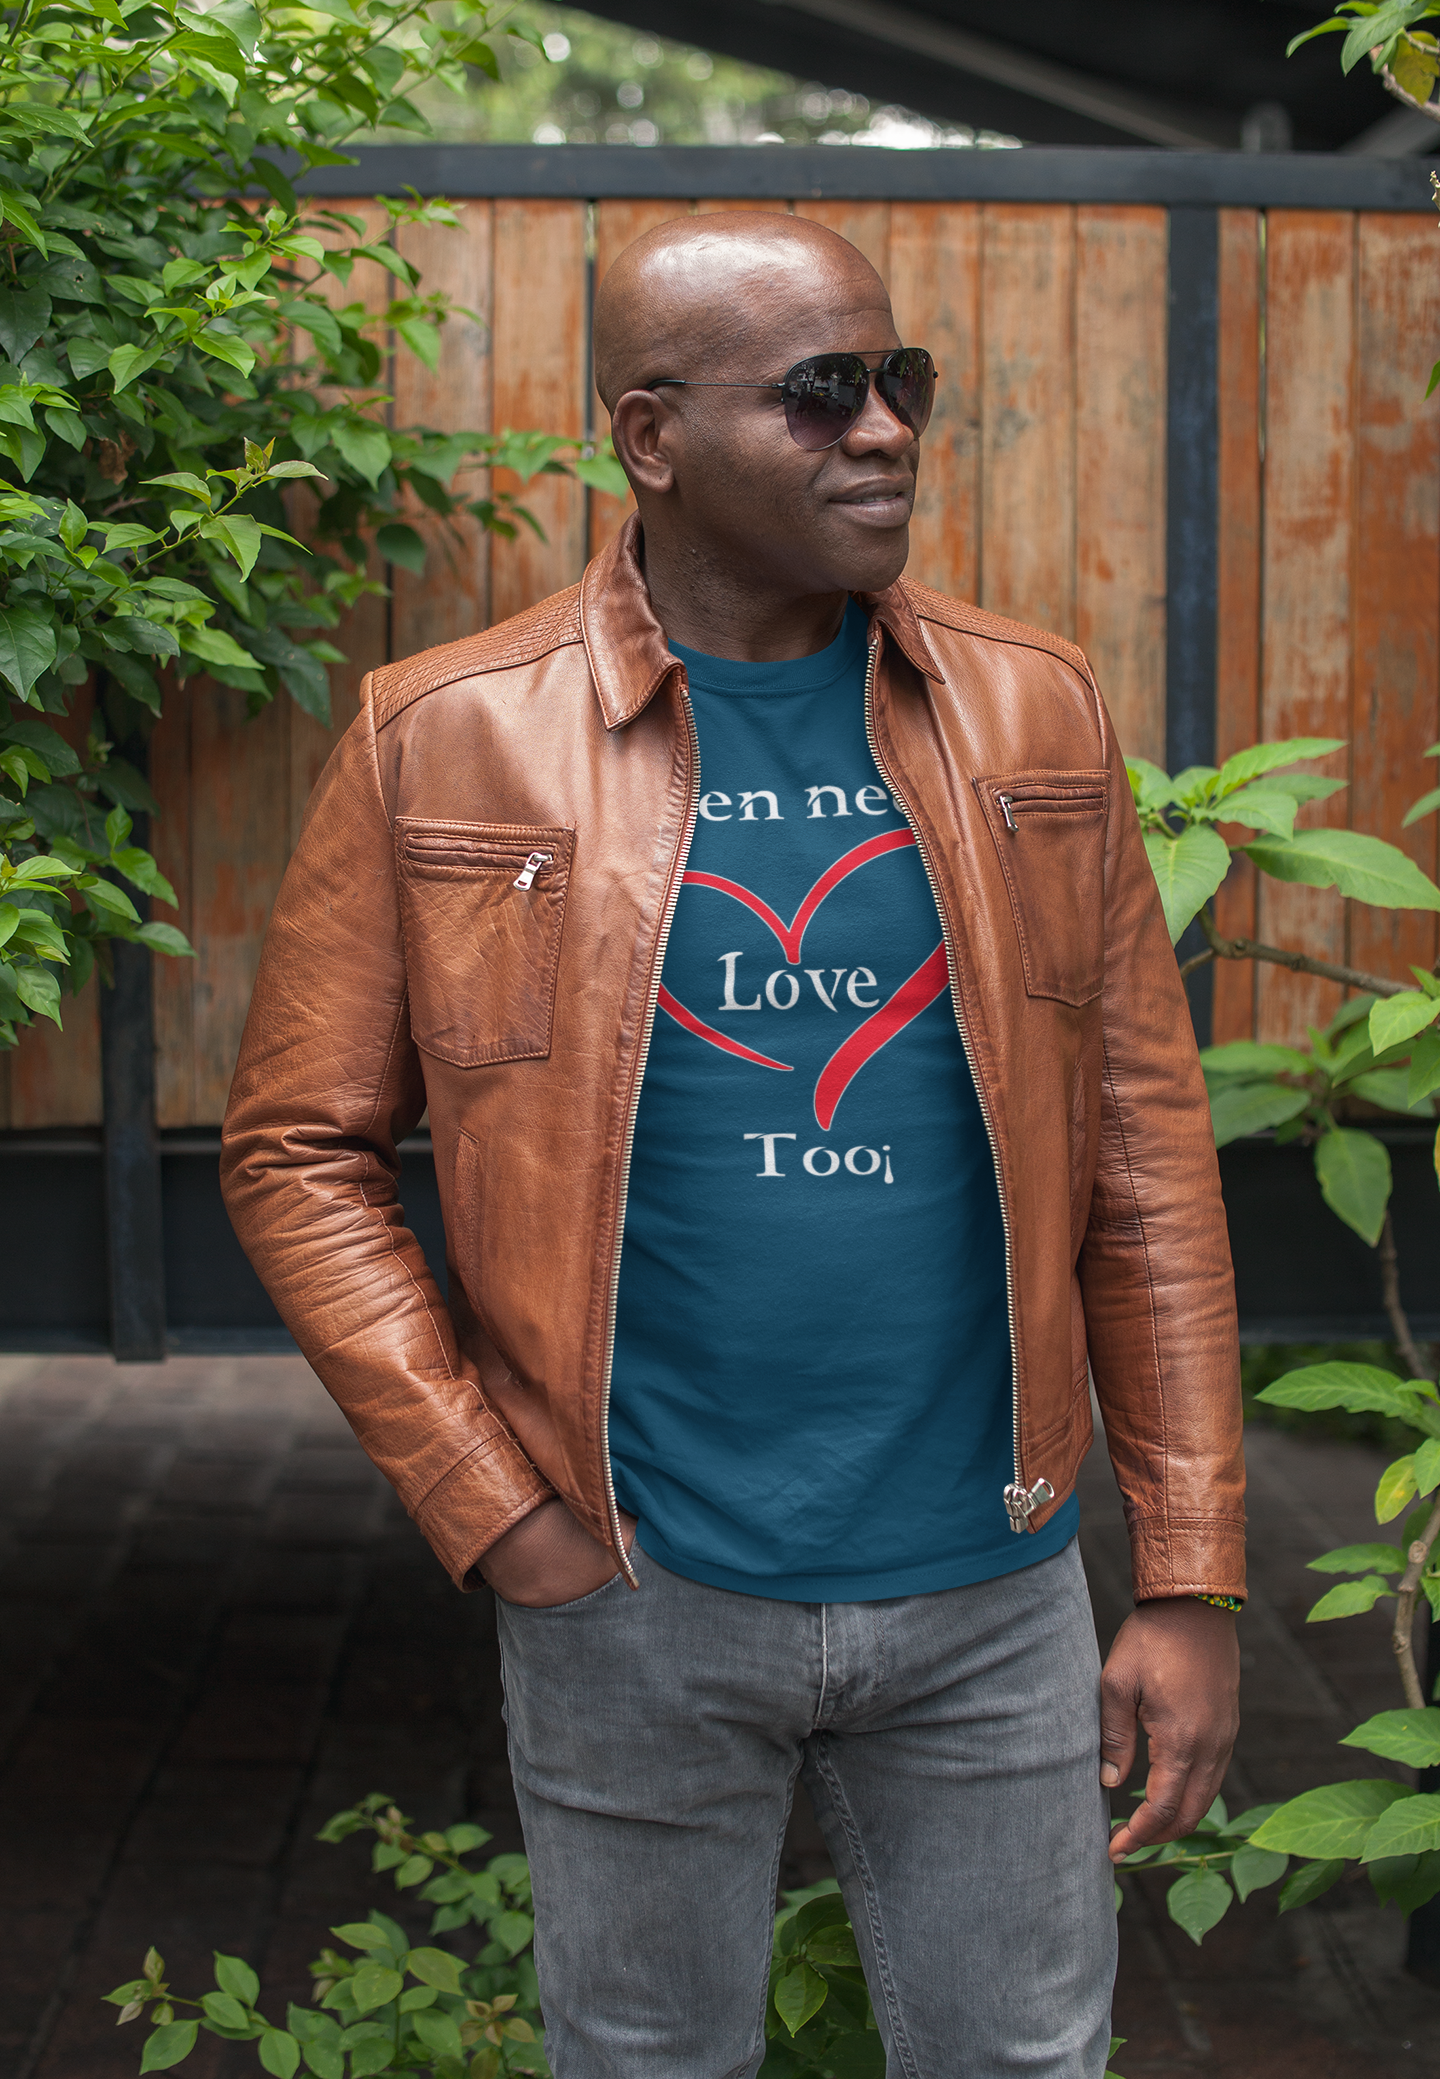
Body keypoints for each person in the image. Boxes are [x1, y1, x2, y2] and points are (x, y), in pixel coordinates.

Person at [221, 212, 1244, 2079]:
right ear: (652, 438)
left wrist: (1185, 1568)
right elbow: (299, 1146)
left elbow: (1144, 1156)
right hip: (633, 1582)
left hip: (992, 1580)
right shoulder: (445, 738)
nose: (887, 430)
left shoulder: (1036, 708)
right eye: (821, 393)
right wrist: (491, 1503)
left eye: (900, 380)